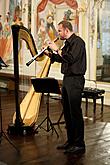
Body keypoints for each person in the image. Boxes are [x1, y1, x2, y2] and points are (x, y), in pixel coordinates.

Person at [45, 20, 87, 155]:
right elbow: (63, 59)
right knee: (68, 112)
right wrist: (50, 54)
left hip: (76, 80)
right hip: (67, 79)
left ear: (66, 30)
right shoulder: (66, 43)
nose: (58, 33)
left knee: (75, 112)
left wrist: (56, 49)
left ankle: (79, 144)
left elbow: (71, 58)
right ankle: (70, 141)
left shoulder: (78, 42)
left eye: (59, 31)